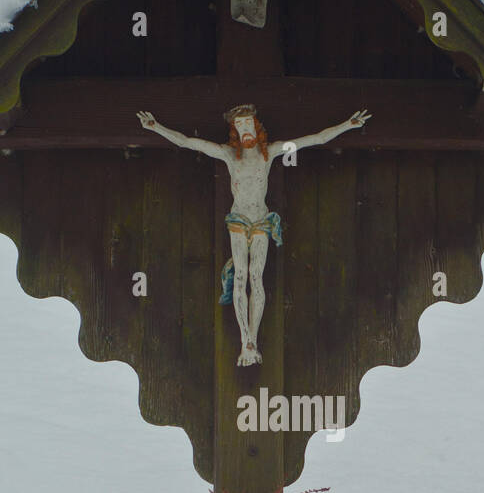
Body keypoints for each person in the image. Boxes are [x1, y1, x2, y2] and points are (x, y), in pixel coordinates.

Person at [135, 103, 371, 366]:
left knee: (255, 276)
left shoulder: (268, 153)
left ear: (256, 126)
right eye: (240, 125)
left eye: (248, 124)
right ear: (235, 131)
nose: (245, 129)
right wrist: (156, 128)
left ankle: (252, 342)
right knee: (241, 277)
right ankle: (244, 340)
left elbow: (313, 139)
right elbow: (190, 143)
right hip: (238, 220)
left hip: (261, 220)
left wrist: (347, 125)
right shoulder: (227, 154)